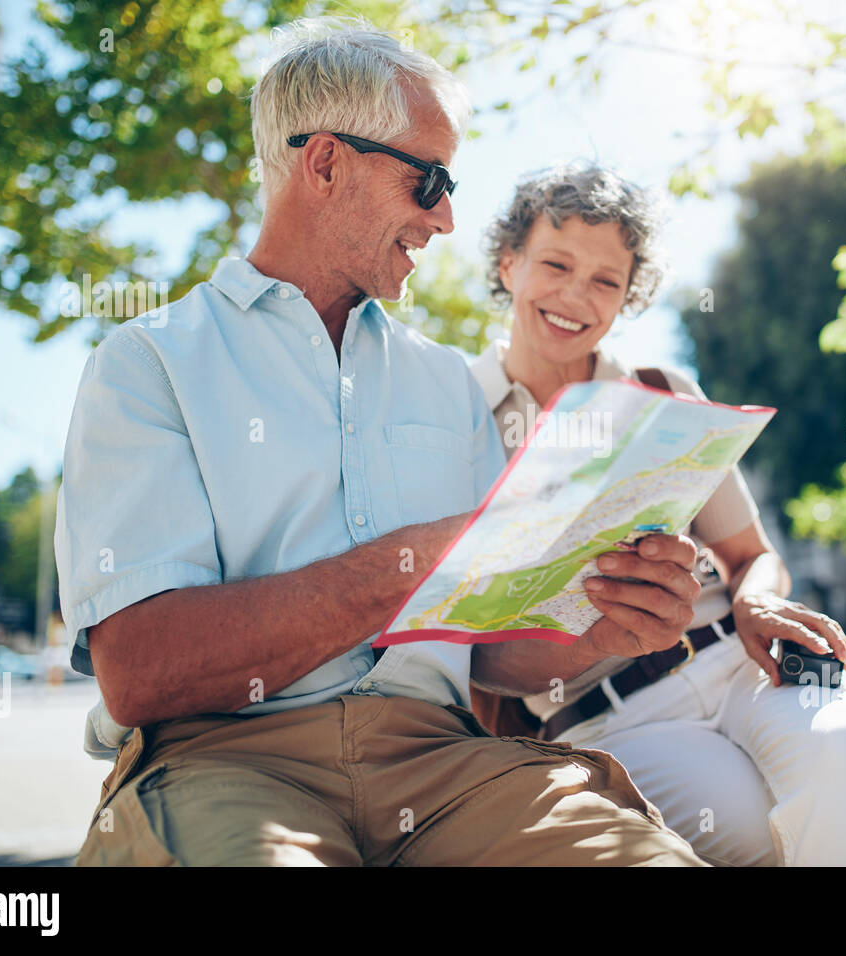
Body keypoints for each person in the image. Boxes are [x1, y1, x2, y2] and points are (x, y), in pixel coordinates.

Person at [54, 20, 709, 866]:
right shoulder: (148, 365)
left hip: (450, 766)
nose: (445, 219)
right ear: (325, 163)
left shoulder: (445, 381)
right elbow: (144, 672)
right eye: (427, 179)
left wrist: (605, 630)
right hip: (224, 761)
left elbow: (489, 650)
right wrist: (417, 558)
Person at [469, 162, 846, 867]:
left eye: (606, 281)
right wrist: (602, 633)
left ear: (629, 298)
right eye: (556, 264)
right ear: (510, 263)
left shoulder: (664, 394)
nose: (576, 295)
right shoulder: (457, 420)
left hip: (741, 661)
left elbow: (754, 557)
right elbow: (477, 659)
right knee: (756, 834)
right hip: (606, 716)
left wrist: (757, 603)